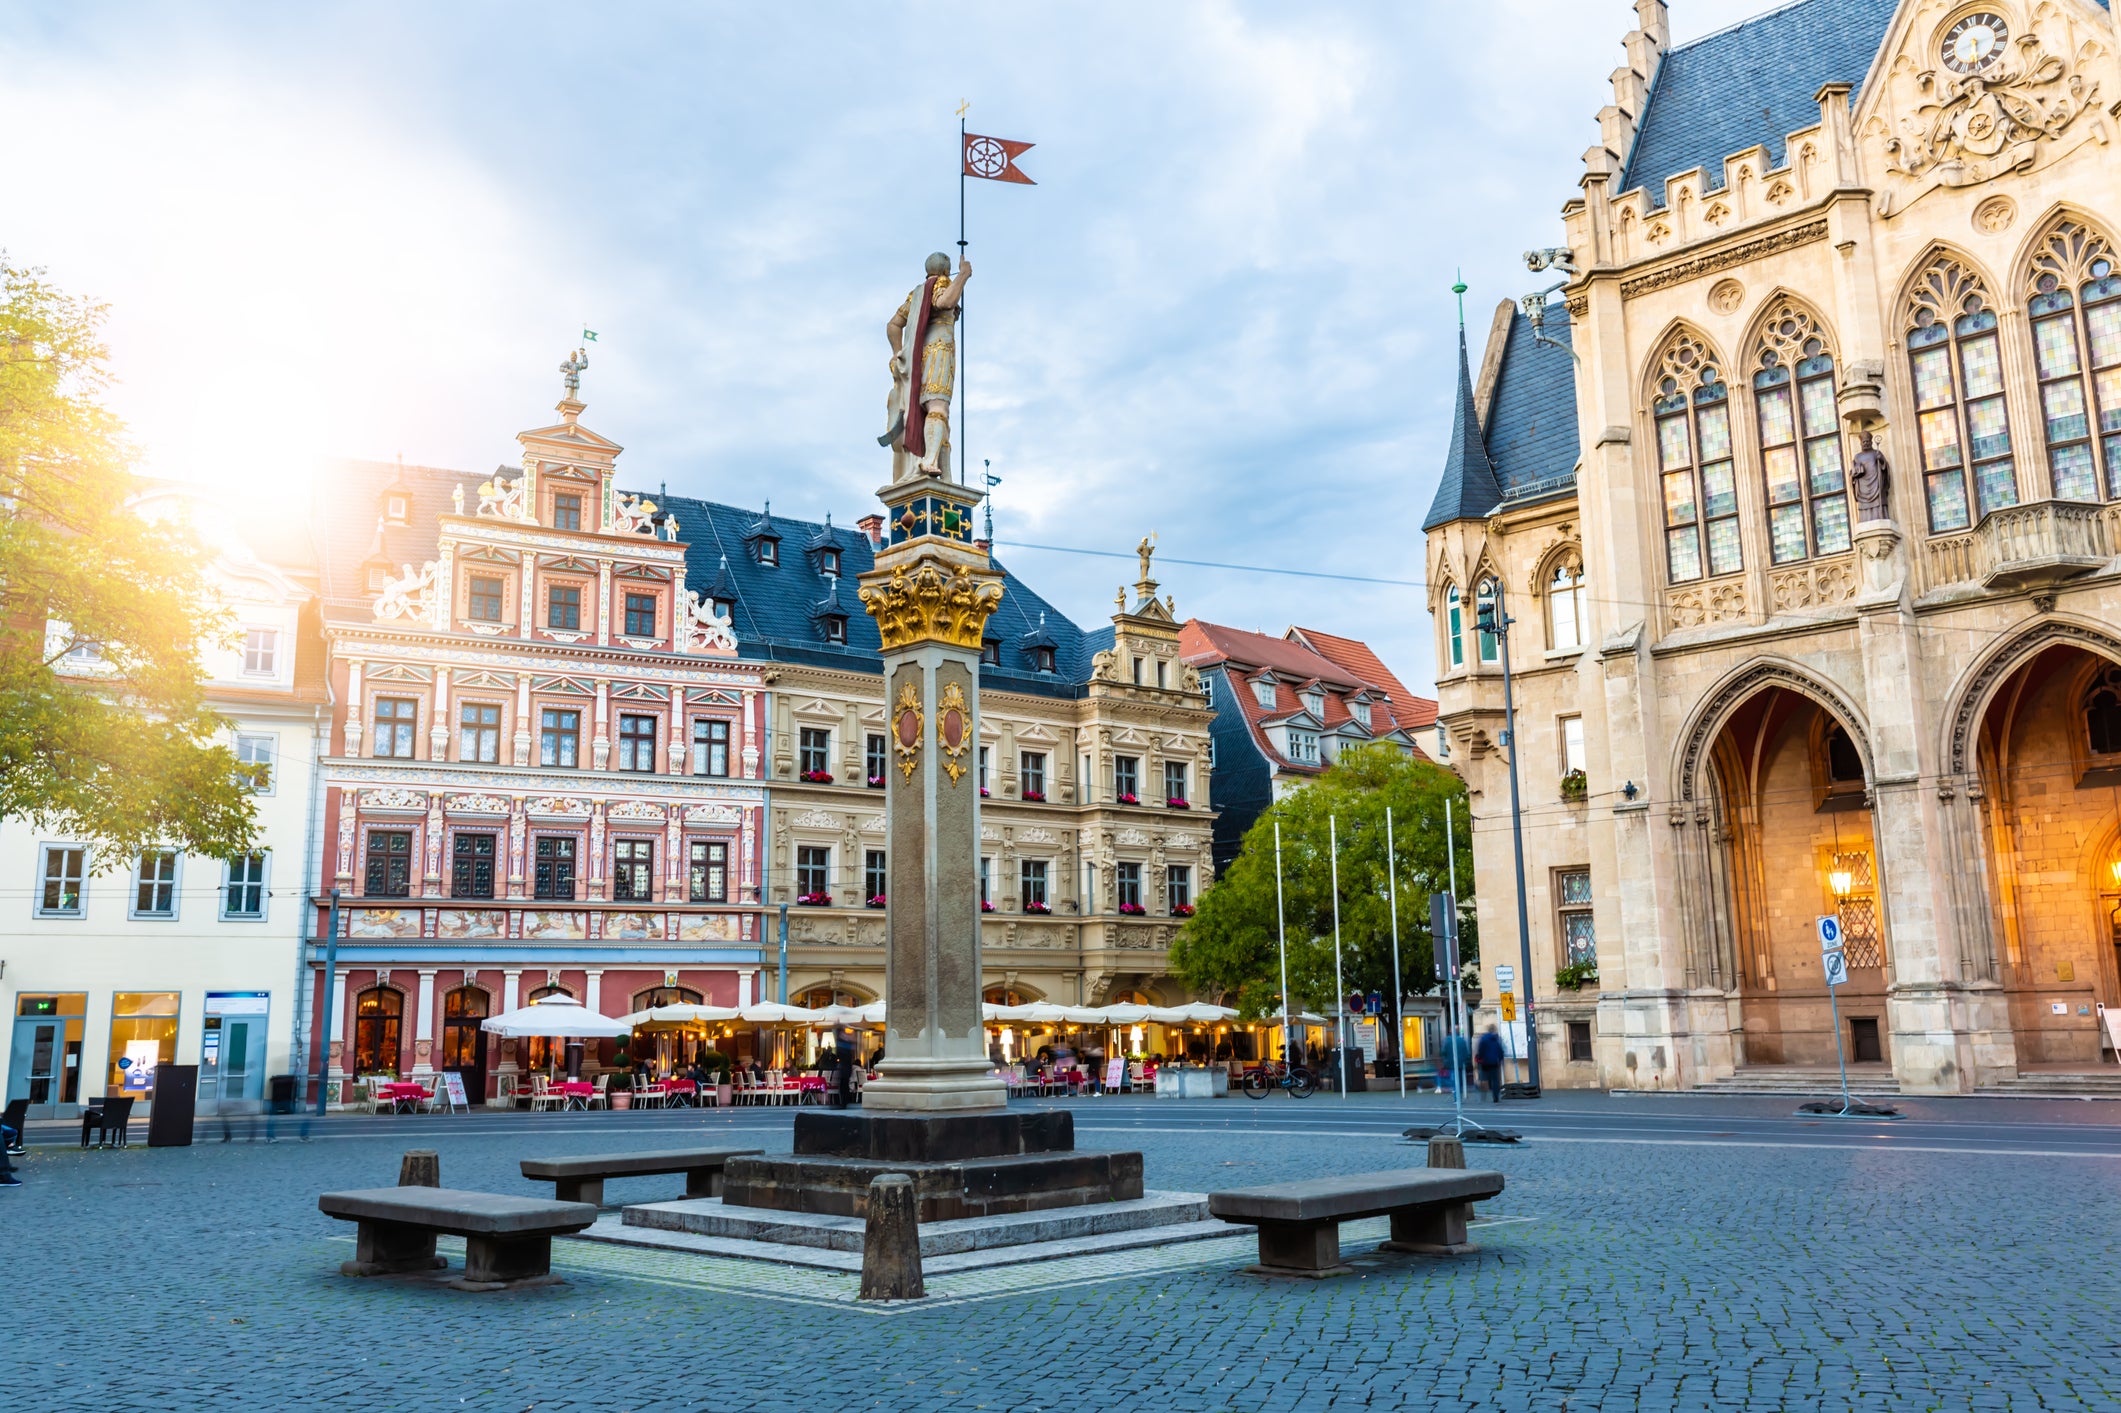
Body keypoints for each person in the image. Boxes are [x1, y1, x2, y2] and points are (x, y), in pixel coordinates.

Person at [1475, 1024, 1506, 1103]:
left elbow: (1481, 1050)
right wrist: (1500, 1059)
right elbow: (1500, 1050)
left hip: (1485, 1062)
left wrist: (1479, 1058)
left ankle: (1483, 1096)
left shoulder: (1483, 1039)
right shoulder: (1496, 1039)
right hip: (1494, 1062)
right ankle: (1495, 1097)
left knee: (1483, 1079)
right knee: (1495, 1080)